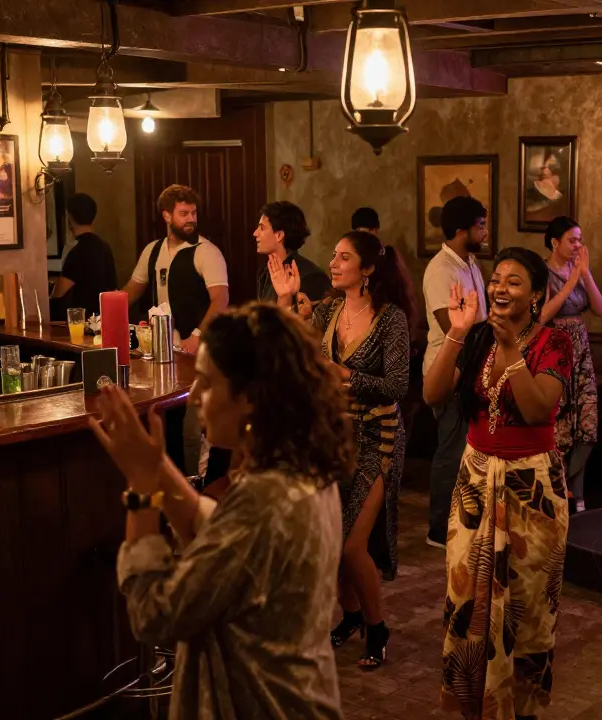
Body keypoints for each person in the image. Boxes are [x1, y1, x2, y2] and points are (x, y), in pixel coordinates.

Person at [92, 302, 352, 719]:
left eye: (206, 383)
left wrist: (142, 491)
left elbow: (156, 616)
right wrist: (156, 467)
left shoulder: (265, 499)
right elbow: (218, 536)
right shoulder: (302, 467)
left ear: (249, 398)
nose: (193, 397)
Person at [423, 247, 571, 719]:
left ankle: (520, 709)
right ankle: (474, 703)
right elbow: (432, 393)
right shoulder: (478, 336)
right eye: (497, 279)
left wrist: (511, 349)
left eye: (514, 282)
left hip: (531, 488)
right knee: (467, 598)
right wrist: (457, 333)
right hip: (475, 480)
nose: (500, 289)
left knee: (525, 608)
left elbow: (535, 409)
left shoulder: (554, 343)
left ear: (536, 294)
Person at [273, 230, 413, 669]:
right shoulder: (330, 308)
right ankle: (351, 615)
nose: (333, 263)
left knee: (354, 545)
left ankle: (377, 626)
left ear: (368, 269)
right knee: (331, 538)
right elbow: (294, 349)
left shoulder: (390, 318)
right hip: (335, 434)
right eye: (333, 256)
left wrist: (345, 376)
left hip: (379, 436)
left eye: (344, 257)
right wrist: (285, 299)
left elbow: (398, 385)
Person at [121, 185, 230, 483]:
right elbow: (133, 288)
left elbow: (220, 300)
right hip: (160, 350)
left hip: (197, 351)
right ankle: (168, 481)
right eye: (184, 214)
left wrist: (197, 335)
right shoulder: (153, 250)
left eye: (193, 213)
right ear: (167, 215)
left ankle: (195, 484)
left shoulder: (206, 252)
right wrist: (107, 311)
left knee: (193, 423)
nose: (191, 219)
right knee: (165, 416)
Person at [421, 195, 489, 548]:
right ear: (461, 231)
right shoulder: (441, 270)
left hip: (472, 365)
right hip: (448, 368)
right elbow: (452, 326)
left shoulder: (471, 263)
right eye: (480, 226)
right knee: (450, 448)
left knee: (465, 446)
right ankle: (437, 529)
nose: (485, 231)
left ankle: (459, 522)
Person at [538, 216, 602, 513]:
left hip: (581, 351)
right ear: (555, 242)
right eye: (572, 240)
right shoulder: (542, 272)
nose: (578, 244)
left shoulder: (578, 268)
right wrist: (571, 283)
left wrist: (585, 274)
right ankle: (562, 491)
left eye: (579, 239)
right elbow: (542, 315)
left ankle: (571, 486)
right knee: (560, 426)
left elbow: (600, 308)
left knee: (587, 424)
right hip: (556, 349)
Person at [50, 193, 116, 321]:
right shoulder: (104, 247)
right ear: (93, 217)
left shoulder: (76, 251)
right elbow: (113, 289)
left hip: (82, 323)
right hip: (104, 320)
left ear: (69, 217)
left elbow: (59, 293)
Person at [256, 200, 331, 306]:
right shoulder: (264, 275)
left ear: (279, 235)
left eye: (262, 228)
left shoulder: (311, 277)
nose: (255, 233)